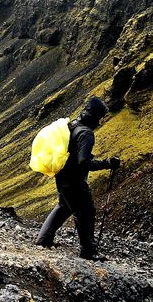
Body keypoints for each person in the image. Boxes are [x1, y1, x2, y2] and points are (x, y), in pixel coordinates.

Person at [34, 96, 120, 261]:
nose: (100, 122)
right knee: (85, 212)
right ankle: (88, 250)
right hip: (75, 181)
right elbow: (83, 162)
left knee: (64, 207)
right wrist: (107, 163)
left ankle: (43, 239)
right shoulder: (86, 134)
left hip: (62, 177)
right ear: (94, 116)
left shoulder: (71, 126)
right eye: (100, 118)